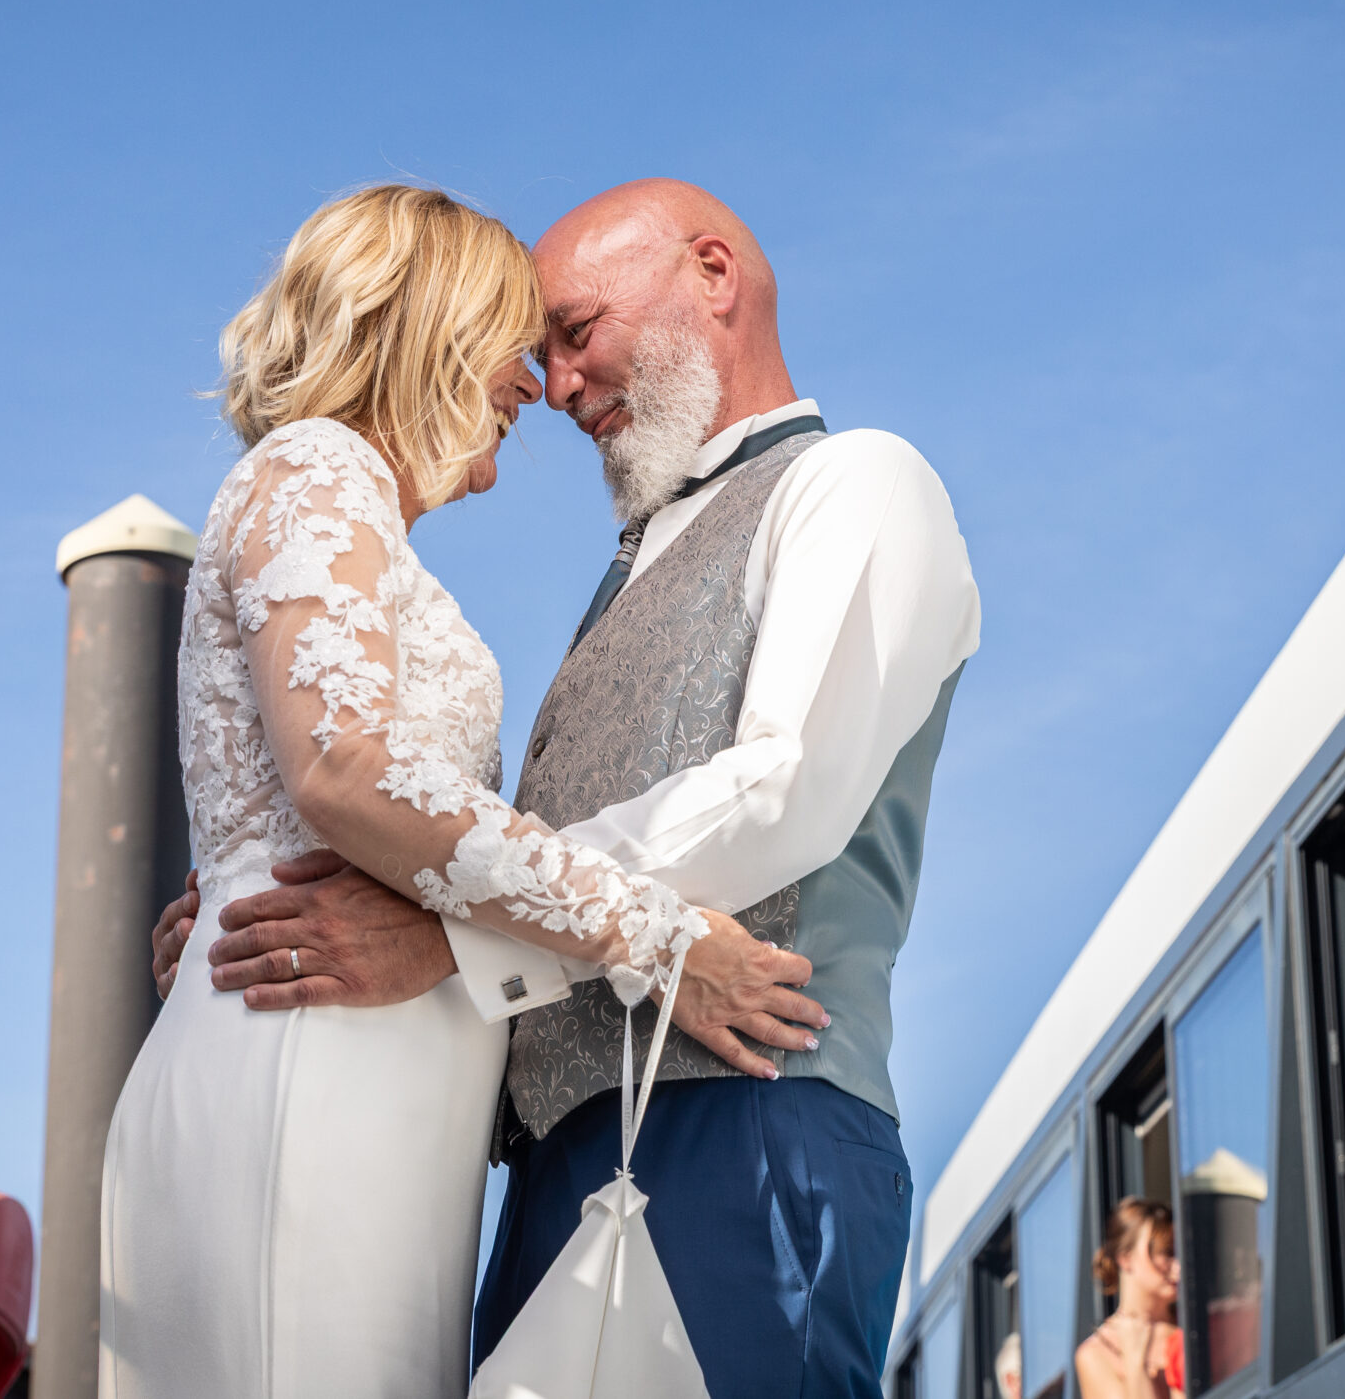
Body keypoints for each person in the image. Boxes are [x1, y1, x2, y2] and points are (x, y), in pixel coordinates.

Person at [157, 177, 982, 1396]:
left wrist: (446, 932)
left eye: (576, 330)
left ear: (714, 275)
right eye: (536, 347)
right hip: (538, 1164)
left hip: (745, 1122)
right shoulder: (614, 581)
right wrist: (261, 900)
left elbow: (784, 787)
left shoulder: (857, 481)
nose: (552, 381)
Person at [1073, 1199, 1182, 1399]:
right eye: (1167, 1253)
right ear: (1126, 1258)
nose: (1178, 1266)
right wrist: (1135, 1363)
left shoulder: (1191, 1327)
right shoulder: (1097, 1353)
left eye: (1179, 1252)